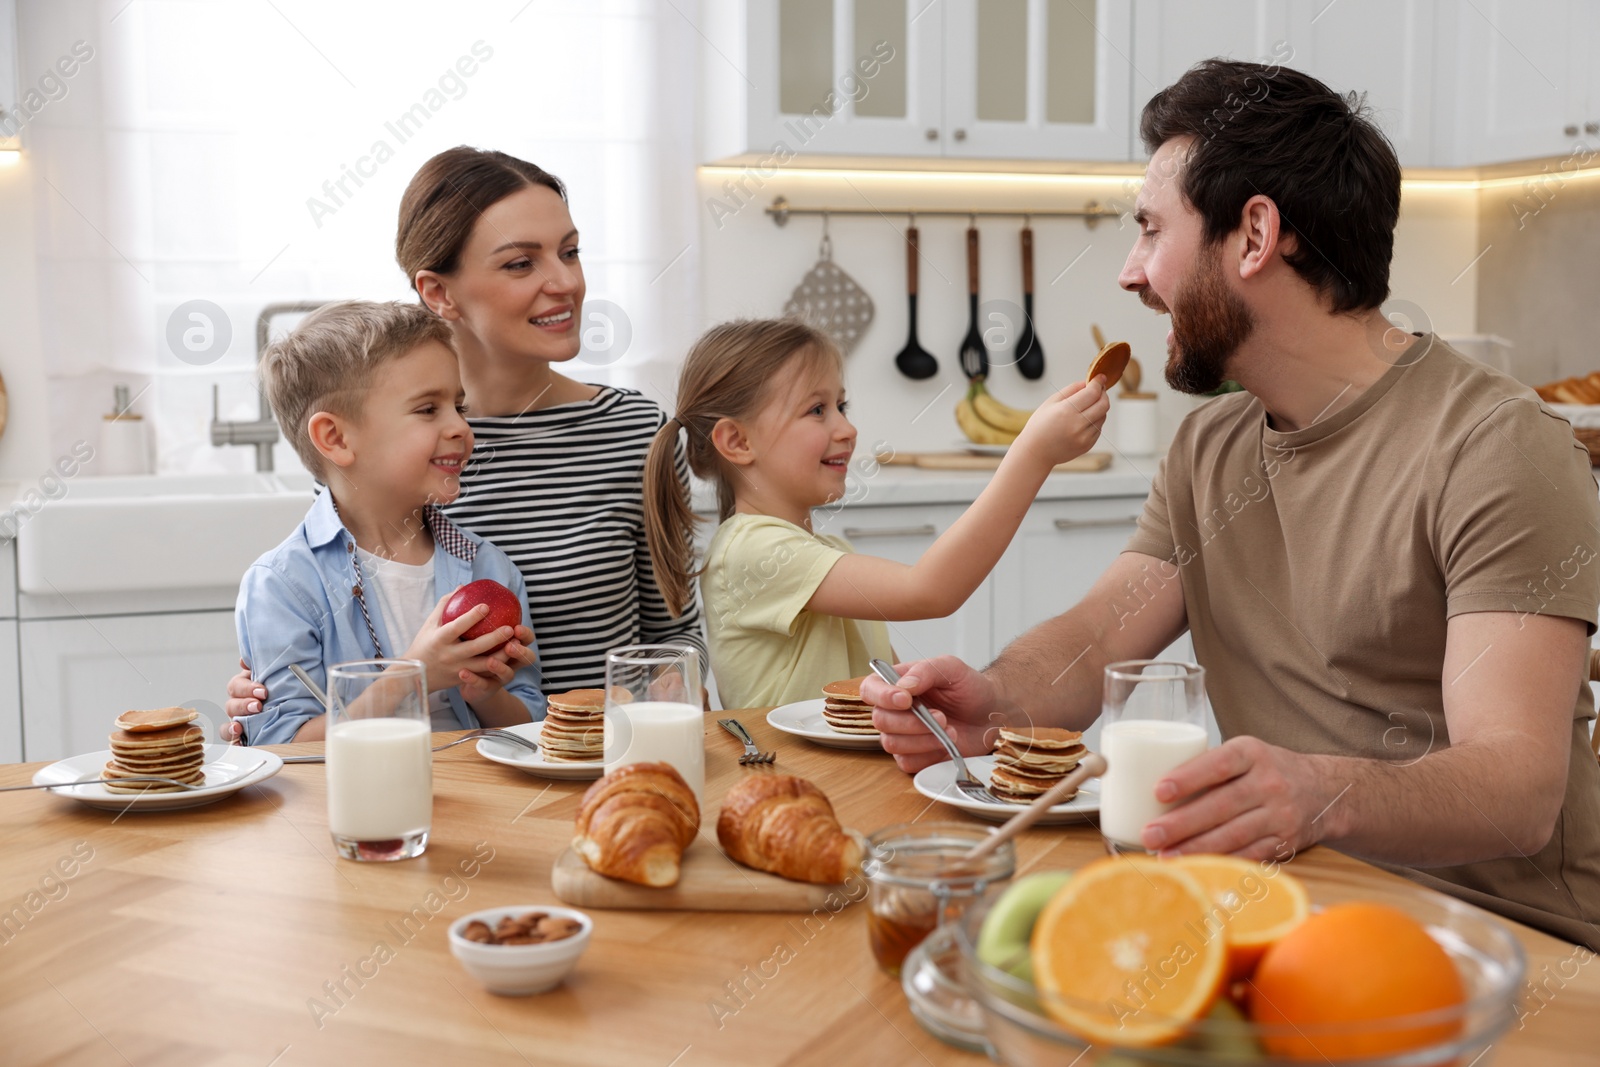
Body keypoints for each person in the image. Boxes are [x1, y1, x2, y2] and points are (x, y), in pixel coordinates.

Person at [861, 60, 1600, 951]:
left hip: (1500, 943)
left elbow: (1518, 792)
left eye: (1148, 230)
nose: (1132, 275)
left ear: (1255, 235)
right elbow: (1101, 636)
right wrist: (997, 699)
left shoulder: (1495, 445)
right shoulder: (1208, 448)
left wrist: (1316, 793)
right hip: (1291, 910)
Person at [225, 148, 706, 735]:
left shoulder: (637, 430)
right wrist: (267, 710)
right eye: (520, 264)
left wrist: (666, 699)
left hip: (601, 764)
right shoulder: (397, 449)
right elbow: (330, 618)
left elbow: (677, 635)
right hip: (464, 785)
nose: (566, 282)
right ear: (439, 292)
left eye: (570, 252)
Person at [643, 318, 1108, 709]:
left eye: (841, 405)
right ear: (738, 442)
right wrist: (1033, 455)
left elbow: (887, 683)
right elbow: (931, 591)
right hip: (797, 794)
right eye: (817, 410)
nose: (847, 428)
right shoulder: (750, 551)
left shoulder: (826, 552)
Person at [236, 301, 542, 743]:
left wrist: (486, 693)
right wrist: (413, 675)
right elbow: (284, 747)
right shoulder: (283, 585)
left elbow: (532, 727)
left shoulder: (489, 569)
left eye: (459, 406)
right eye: (427, 409)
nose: (460, 427)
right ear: (336, 438)